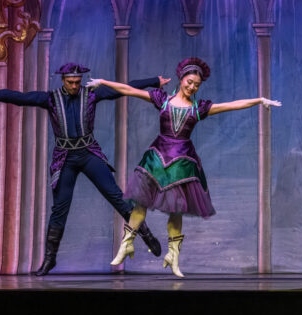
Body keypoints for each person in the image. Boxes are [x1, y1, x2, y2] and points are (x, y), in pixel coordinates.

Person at [87, 57, 281, 277]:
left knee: (176, 209)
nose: (192, 87)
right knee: (141, 203)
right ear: (181, 79)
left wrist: (259, 100)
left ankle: (173, 256)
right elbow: (129, 90)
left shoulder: (198, 108)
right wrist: (104, 82)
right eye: (189, 82)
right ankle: (126, 244)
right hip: (157, 158)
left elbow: (230, 105)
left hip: (181, 164)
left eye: (196, 85)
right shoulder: (162, 100)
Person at [0, 63, 166, 275]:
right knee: (60, 209)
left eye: (77, 82)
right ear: (63, 80)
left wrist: (154, 81)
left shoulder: (91, 95)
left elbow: (124, 87)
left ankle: (146, 234)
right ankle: (49, 259)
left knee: (116, 196)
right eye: (70, 82)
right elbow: (18, 97)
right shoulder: (51, 99)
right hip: (65, 159)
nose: (74, 86)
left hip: (88, 153)